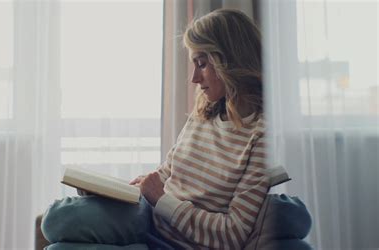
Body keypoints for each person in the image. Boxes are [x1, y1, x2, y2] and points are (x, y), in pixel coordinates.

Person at [41, 9, 269, 250]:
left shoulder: (262, 137)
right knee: (56, 218)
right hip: (148, 216)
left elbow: (232, 234)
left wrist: (161, 199)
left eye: (202, 64)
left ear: (230, 63)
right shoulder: (205, 112)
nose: (193, 78)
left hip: (178, 241)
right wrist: (118, 190)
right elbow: (168, 172)